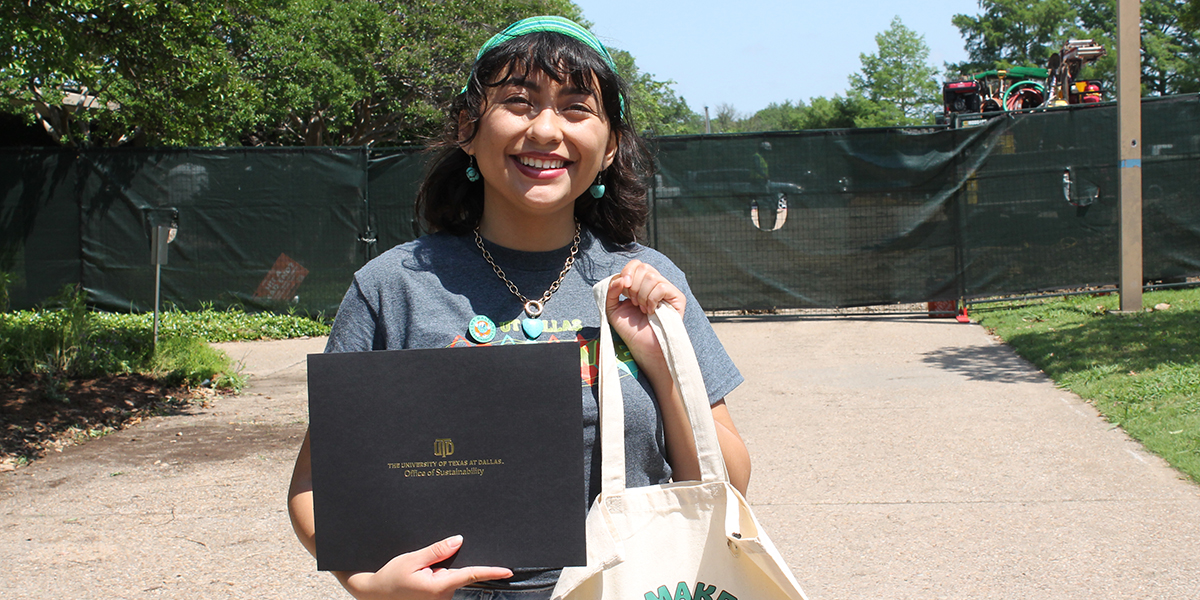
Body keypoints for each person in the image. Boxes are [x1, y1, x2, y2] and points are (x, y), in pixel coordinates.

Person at [287, 16, 751, 600]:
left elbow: (728, 481)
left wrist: (658, 361)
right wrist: (367, 583)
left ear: (609, 148)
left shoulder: (648, 284)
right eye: (518, 101)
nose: (547, 130)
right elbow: (316, 485)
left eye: (578, 108)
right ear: (467, 128)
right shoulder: (392, 287)